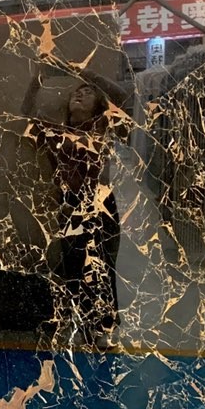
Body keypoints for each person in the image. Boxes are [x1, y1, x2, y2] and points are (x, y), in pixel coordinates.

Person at [22, 59, 131, 349]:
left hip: (101, 202)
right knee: (74, 266)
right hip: (71, 204)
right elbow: (26, 112)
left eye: (88, 92)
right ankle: (83, 324)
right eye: (76, 93)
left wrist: (85, 73)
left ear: (98, 105)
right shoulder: (56, 132)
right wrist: (37, 78)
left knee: (103, 265)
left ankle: (103, 326)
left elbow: (123, 97)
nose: (80, 94)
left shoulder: (102, 125)